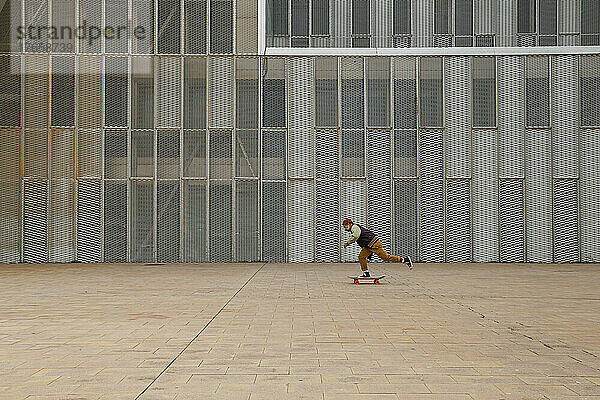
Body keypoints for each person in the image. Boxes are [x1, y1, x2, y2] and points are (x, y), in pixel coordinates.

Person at [342, 218, 412, 277]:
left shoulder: (354, 227)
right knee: (361, 257)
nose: (344, 228)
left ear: (349, 224)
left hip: (374, 244)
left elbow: (356, 236)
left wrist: (347, 243)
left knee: (386, 257)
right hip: (368, 246)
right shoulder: (354, 228)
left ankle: (404, 259)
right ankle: (366, 273)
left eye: (345, 226)